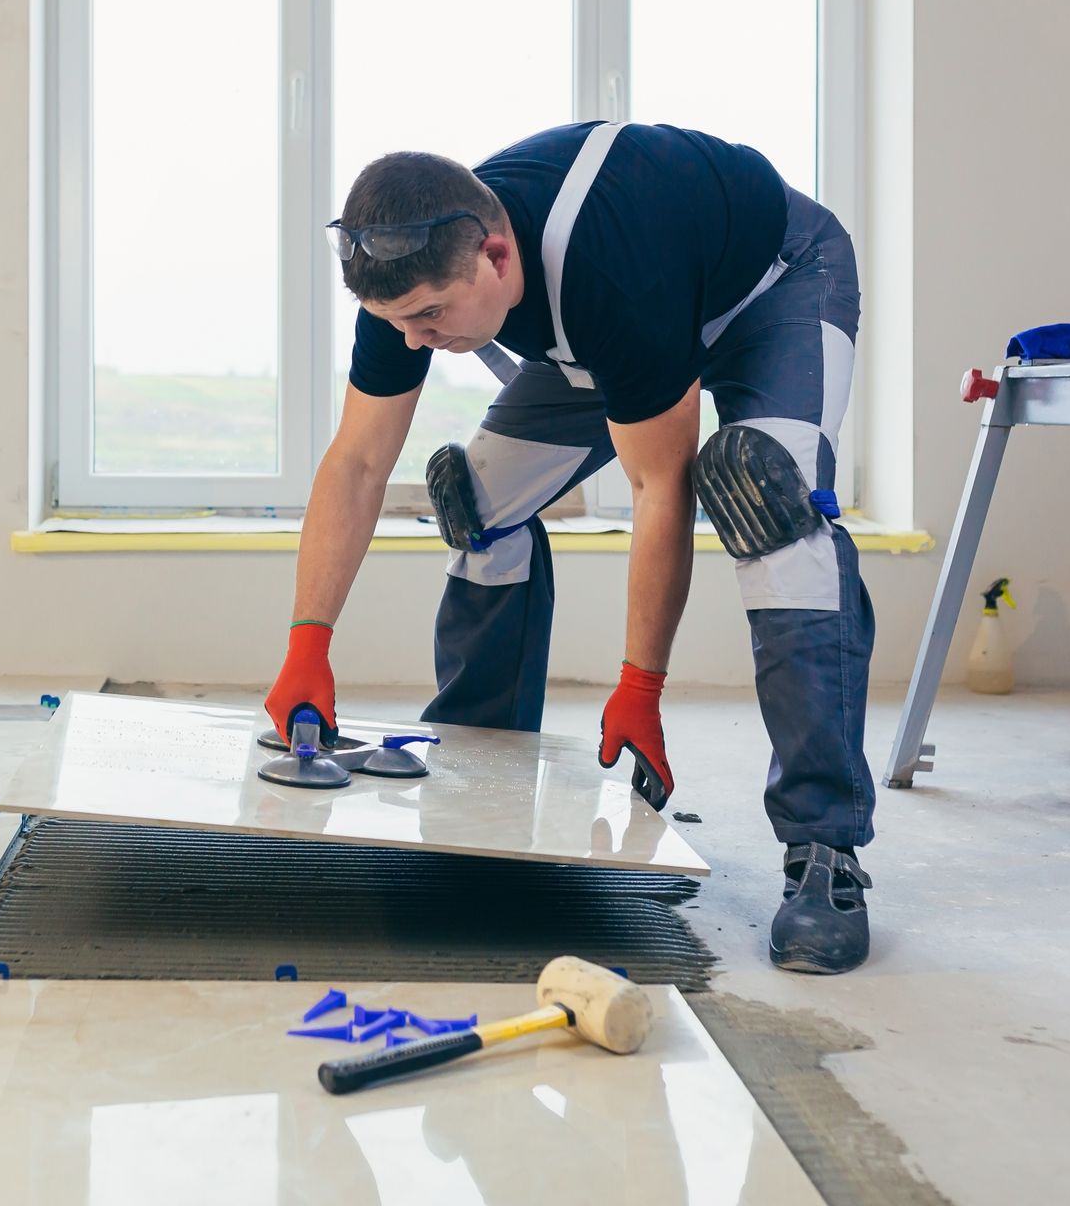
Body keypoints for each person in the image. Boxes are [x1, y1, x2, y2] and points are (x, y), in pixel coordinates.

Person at [262, 121, 876, 974]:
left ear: (497, 258)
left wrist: (640, 688)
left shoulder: (612, 267)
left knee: (766, 502)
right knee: (475, 502)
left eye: (431, 317)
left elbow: (662, 488)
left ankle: (825, 852)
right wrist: (308, 643)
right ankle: (479, 777)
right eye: (396, 322)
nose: (414, 341)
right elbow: (360, 459)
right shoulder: (407, 272)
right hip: (614, 330)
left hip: (773, 287)